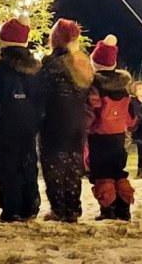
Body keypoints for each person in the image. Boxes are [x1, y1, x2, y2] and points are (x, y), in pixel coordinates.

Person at [38, 18, 93, 223]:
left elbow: (42, 92)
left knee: (54, 164)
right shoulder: (83, 65)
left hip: (55, 119)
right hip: (77, 120)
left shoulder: (51, 63)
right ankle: (73, 207)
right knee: (73, 163)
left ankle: (59, 208)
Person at [0, 16, 43, 223]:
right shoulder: (36, 69)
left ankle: (11, 209)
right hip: (28, 125)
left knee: (7, 167)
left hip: (5, 125)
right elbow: (41, 98)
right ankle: (30, 206)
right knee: (28, 163)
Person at [86, 35, 135, 220]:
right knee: (118, 172)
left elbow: (91, 112)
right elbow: (131, 117)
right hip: (118, 137)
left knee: (102, 174)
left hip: (99, 136)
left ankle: (108, 208)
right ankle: (124, 207)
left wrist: (85, 129)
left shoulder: (95, 86)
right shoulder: (123, 89)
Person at [129, 80, 142, 179]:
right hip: (139, 131)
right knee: (141, 153)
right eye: (140, 89)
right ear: (135, 91)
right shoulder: (133, 102)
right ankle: (141, 172)